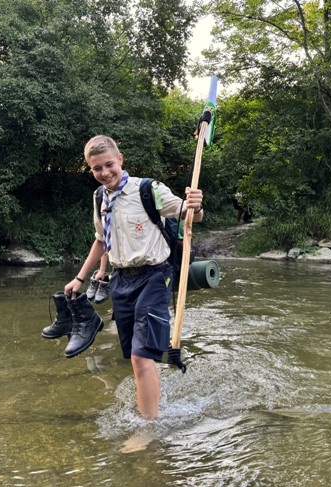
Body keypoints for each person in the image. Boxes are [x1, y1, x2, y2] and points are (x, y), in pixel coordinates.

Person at [63, 135, 204, 420]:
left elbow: (191, 217)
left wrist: (197, 205)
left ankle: (148, 430)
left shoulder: (149, 189)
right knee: (133, 355)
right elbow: (101, 241)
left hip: (155, 275)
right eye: (96, 168)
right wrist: (80, 278)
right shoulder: (99, 197)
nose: (104, 173)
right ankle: (150, 407)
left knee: (142, 356)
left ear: (121, 159)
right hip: (121, 281)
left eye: (109, 165)